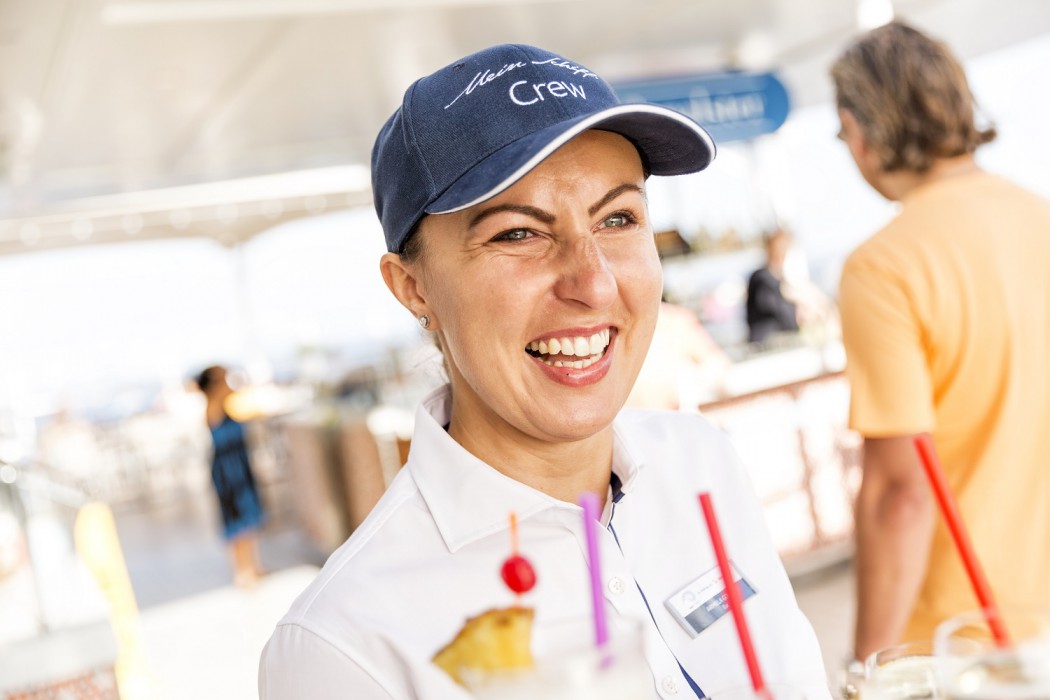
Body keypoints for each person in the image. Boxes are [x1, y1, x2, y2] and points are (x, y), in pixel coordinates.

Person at [259, 44, 829, 699]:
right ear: (413, 288)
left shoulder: (702, 462)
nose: (593, 281)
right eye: (518, 233)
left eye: (618, 217)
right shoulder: (346, 646)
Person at [832, 21, 1050, 663]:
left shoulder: (884, 267)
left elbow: (900, 493)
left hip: (966, 634)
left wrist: (868, 668)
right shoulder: (1042, 218)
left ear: (859, 131)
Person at [194, 365, 265, 588]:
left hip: (239, 466)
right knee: (235, 520)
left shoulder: (227, 401)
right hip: (227, 471)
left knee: (248, 517)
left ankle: (253, 567)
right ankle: (242, 572)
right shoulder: (213, 404)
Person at [745, 229, 800, 344]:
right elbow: (780, 312)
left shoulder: (779, 279)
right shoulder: (762, 279)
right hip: (767, 345)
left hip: (779, 343)